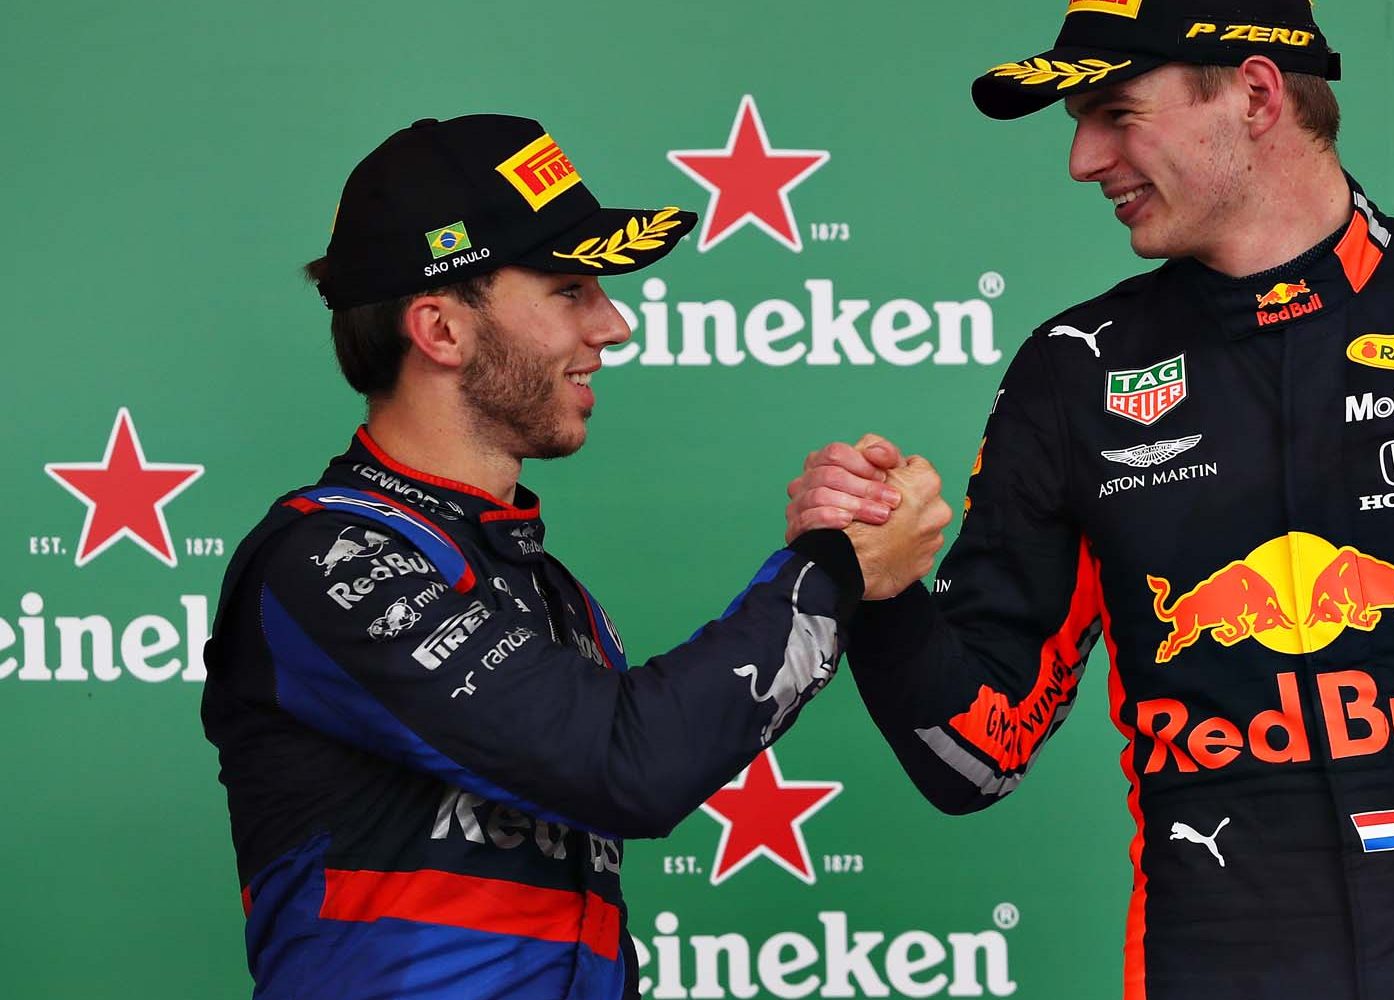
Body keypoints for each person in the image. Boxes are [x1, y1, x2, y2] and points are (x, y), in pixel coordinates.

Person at [786, 2, 1394, 997]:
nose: (1081, 158)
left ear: (1253, 93)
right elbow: (974, 757)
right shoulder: (1073, 375)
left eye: (1116, 112)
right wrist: (887, 595)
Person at [200, 114, 949, 1000]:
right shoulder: (324, 558)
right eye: (569, 289)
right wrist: (835, 567)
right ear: (440, 328)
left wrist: (835, 552)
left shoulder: (551, 590)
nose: (614, 325)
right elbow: (629, 768)